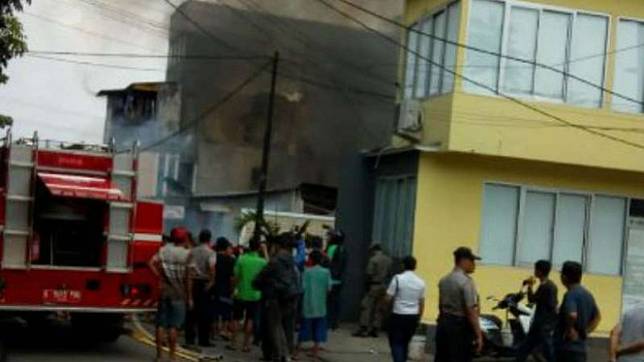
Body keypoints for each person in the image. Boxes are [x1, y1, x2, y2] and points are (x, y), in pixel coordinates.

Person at [254, 232, 301, 362]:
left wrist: (260, 286)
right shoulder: (293, 262)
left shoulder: (275, 261)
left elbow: (259, 278)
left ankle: (279, 355)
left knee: (274, 327)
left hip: (277, 298)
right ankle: (287, 354)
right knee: (288, 329)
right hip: (292, 298)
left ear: (278, 246)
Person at [148, 227, 192, 362]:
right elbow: (188, 277)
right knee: (174, 326)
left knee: (161, 324)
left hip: (164, 292)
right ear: (184, 238)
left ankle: (159, 355)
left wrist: (160, 276)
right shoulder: (187, 254)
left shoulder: (164, 249)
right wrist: (189, 297)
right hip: (179, 294)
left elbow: (150, 263)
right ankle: (172, 356)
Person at [435, 247, 483, 362]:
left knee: (442, 357)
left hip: (443, 325)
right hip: (460, 328)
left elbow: (440, 306)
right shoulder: (466, 282)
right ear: (464, 261)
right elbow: (470, 310)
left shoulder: (444, 280)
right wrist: (479, 335)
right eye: (472, 261)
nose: (474, 264)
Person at [554, 261, 601, 362]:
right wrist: (586, 332)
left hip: (567, 349)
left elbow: (572, 315)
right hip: (581, 348)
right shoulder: (588, 295)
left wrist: (569, 329)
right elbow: (597, 317)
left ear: (564, 277)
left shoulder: (570, 294)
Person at [229, 237, 267, 352]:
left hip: (240, 293)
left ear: (249, 246)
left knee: (236, 318)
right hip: (255, 295)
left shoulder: (241, 259)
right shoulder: (262, 261)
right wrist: (265, 252)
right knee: (250, 319)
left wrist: (232, 289)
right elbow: (270, 267)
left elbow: (235, 277)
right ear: (258, 247)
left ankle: (233, 343)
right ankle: (246, 345)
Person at [516, 260, 558, 362]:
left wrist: (530, 286)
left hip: (543, 324)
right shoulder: (547, 285)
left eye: (535, 269)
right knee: (526, 347)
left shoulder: (547, 286)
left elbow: (533, 299)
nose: (534, 271)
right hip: (540, 324)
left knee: (547, 350)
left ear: (540, 271)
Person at [386, 256, 425, 362]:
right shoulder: (421, 282)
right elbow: (421, 303)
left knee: (396, 343)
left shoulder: (397, 278)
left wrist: (385, 310)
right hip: (413, 316)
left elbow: (388, 298)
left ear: (403, 265)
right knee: (405, 342)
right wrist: (419, 318)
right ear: (415, 266)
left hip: (398, 315)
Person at [295, 250, 332, 360]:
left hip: (308, 306)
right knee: (319, 331)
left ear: (310, 259)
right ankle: (315, 354)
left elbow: (302, 288)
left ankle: (296, 353)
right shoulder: (326, 272)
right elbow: (329, 288)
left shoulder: (306, 272)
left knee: (304, 330)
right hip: (321, 306)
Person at [185, 229, 215, 348]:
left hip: (193, 282)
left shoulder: (192, 251)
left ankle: (190, 338)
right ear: (209, 239)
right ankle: (204, 339)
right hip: (205, 283)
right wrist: (211, 282)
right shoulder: (211, 253)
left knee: (191, 312)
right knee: (205, 314)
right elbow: (212, 269)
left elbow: (188, 270)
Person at [354, 244, 393, 338]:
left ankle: (363, 328)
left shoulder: (373, 260)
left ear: (374, 250)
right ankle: (375, 329)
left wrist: (367, 286)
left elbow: (369, 274)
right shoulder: (389, 260)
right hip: (383, 286)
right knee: (379, 308)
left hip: (373, 285)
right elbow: (389, 274)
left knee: (366, 306)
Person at [213, 237, 235, 341]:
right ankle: (224, 330)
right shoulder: (230, 260)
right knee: (226, 309)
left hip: (214, 287)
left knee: (214, 309)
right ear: (226, 247)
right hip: (226, 288)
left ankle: (214, 331)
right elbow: (232, 277)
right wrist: (232, 289)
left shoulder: (213, 257)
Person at [325, 229, 347, 330]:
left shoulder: (332, 248)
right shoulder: (343, 249)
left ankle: (328, 323)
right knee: (336, 302)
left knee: (329, 303)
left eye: (329, 236)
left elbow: (327, 263)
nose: (327, 238)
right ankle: (334, 323)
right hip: (339, 280)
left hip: (331, 279)